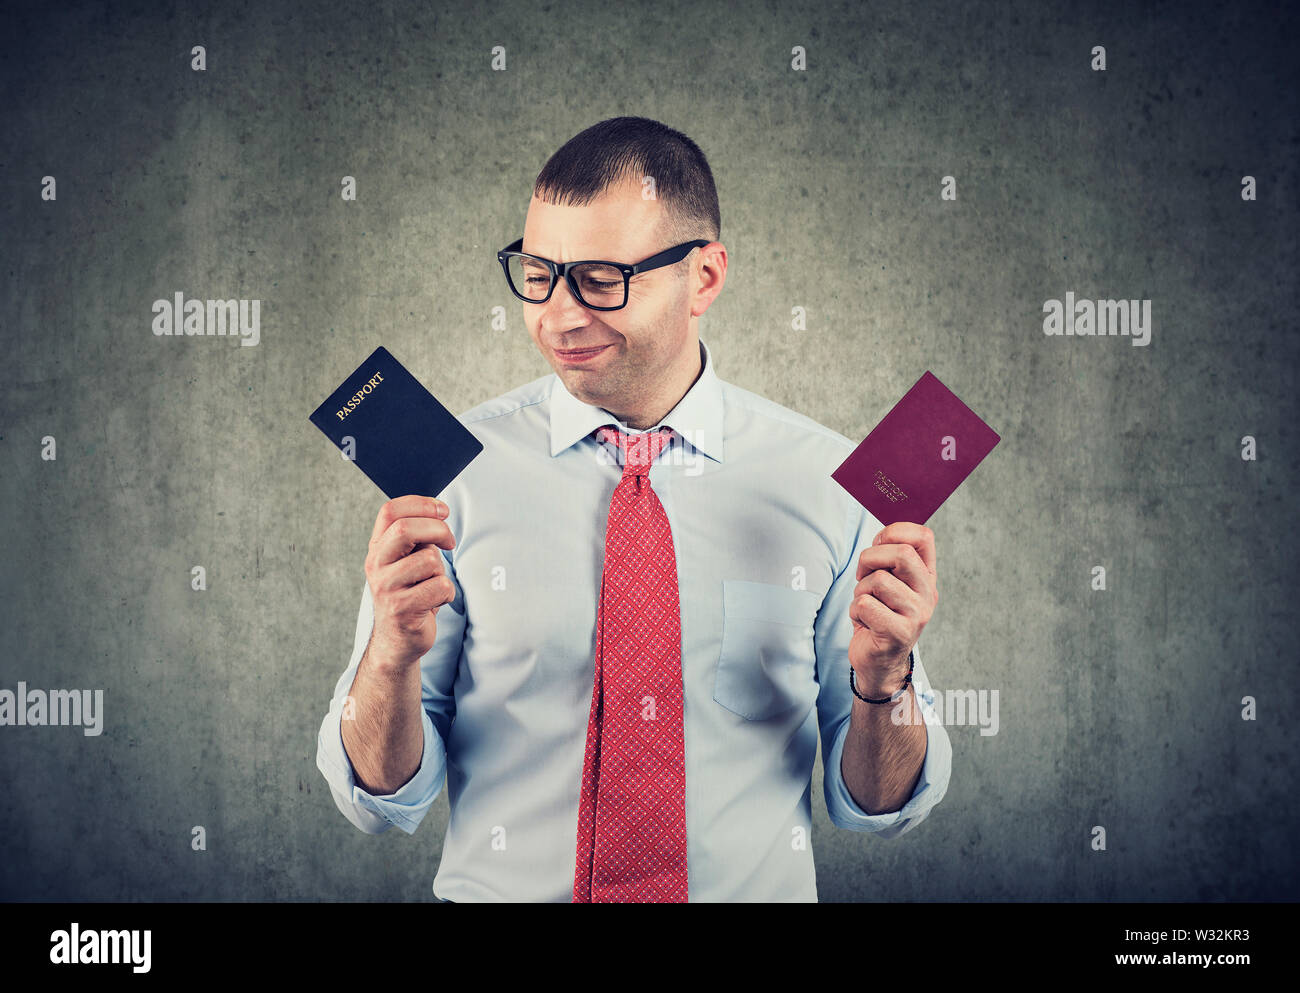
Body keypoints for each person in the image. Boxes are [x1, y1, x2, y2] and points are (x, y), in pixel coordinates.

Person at [315, 116, 951, 902]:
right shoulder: (453, 479)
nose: (558, 315)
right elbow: (380, 801)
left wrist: (884, 681)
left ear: (706, 277)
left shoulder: (832, 484)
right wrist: (389, 659)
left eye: (601, 279)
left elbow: (878, 810)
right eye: (538, 273)